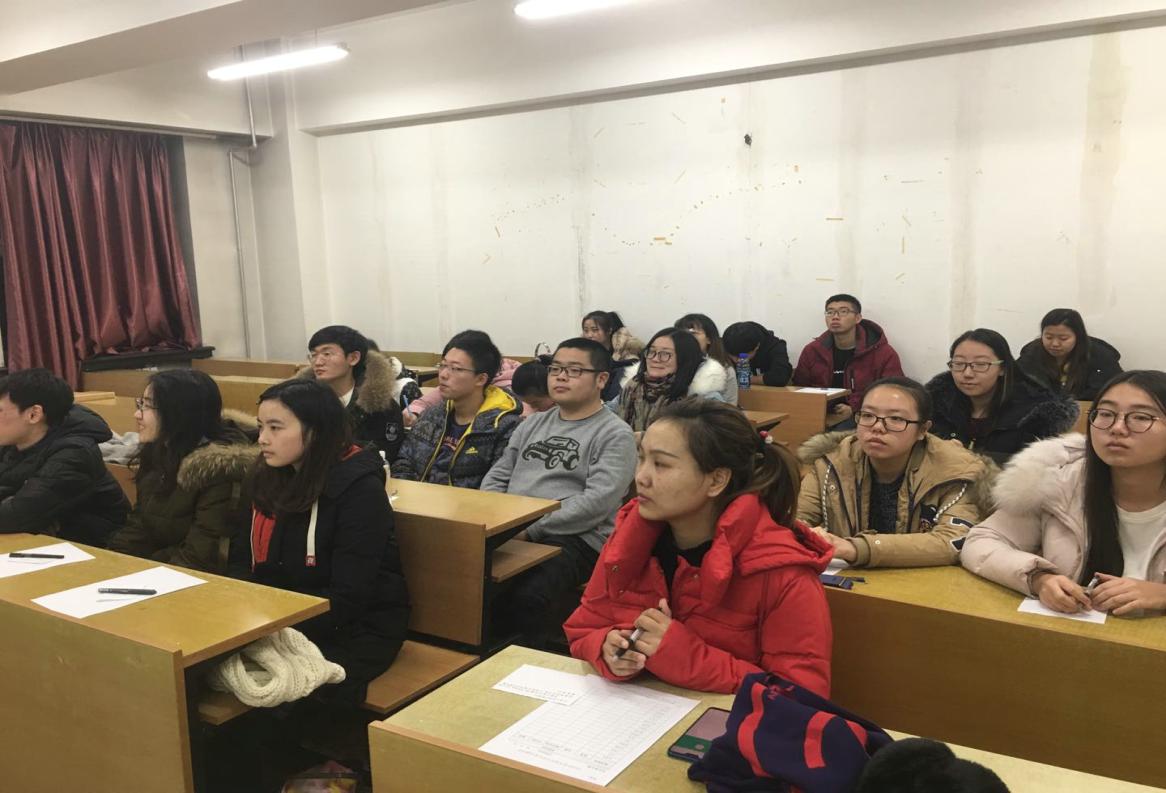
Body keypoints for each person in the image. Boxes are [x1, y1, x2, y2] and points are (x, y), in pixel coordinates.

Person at [563, 398, 833, 696]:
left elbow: (800, 695)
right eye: (641, 459)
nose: (641, 477)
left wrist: (683, 656)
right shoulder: (629, 541)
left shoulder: (781, 571)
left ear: (716, 480)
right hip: (638, 712)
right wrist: (606, 647)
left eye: (661, 464)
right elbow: (583, 628)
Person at [236, 379, 410, 702]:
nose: (262, 439)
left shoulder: (359, 491)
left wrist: (269, 626)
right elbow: (240, 562)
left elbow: (349, 597)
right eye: (260, 427)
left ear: (315, 431)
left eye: (275, 428)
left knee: (281, 692)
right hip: (280, 618)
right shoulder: (265, 477)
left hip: (355, 629)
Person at [962, 370, 1166, 616]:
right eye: (1105, 414)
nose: (1117, 428)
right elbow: (981, 542)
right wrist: (1039, 578)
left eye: (1141, 417)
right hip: (1073, 634)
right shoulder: (1060, 481)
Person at [482, 338, 637, 646]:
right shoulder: (532, 424)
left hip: (577, 538)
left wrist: (529, 529)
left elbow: (596, 502)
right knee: (469, 582)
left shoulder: (615, 434)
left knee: (527, 594)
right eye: (556, 369)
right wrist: (497, 517)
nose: (561, 377)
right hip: (514, 527)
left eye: (574, 370)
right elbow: (499, 474)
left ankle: (526, 659)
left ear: (601, 380)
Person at [796, 377, 994, 568]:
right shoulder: (832, 460)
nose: (877, 427)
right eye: (867, 415)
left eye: (896, 419)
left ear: (923, 430)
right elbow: (794, 520)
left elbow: (952, 541)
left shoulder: (957, 471)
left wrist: (856, 549)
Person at [106, 370, 256, 572]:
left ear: (179, 413)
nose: (137, 414)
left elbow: (201, 556)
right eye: (140, 404)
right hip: (160, 568)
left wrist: (143, 572)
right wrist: (111, 562)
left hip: (199, 578)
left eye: (148, 406)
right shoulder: (161, 450)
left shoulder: (220, 470)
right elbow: (140, 524)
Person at [0, 368, 129, 545]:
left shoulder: (75, 453)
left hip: (97, 548)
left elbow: (15, 515)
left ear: (34, 414)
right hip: (43, 539)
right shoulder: (13, 442)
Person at [392, 330, 522, 488]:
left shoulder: (504, 427)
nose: (443, 375)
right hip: (418, 499)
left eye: (455, 368)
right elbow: (404, 461)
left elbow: (496, 484)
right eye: (443, 365)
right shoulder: (432, 415)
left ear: (481, 379)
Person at [926, 329, 1078, 464]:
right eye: (959, 363)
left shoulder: (1033, 416)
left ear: (1003, 368)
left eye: (981, 364)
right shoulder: (934, 407)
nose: (967, 373)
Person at [792, 294, 905, 426]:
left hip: (863, 416)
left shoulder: (882, 353)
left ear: (857, 318)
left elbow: (892, 391)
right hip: (818, 413)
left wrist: (855, 408)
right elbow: (799, 387)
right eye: (830, 312)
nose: (835, 317)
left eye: (843, 311)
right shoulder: (813, 350)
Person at [300, 325, 405, 460]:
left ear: (353, 358)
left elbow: (386, 455)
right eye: (313, 355)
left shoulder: (381, 406)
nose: (318, 362)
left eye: (327, 354)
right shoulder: (301, 401)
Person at [617, 328, 725, 432]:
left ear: (684, 359)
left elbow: (715, 437)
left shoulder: (706, 399)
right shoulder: (634, 387)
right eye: (652, 351)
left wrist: (645, 437)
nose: (655, 359)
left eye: (665, 354)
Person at [1017, 308, 1122, 402]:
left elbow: (1114, 390)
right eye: (1048, 337)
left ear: (1078, 336)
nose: (1055, 344)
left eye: (1063, 338)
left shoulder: (1100, 356)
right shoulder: (1031, 354)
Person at [675, 313, 738, 404]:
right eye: (681, 334)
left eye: (693, 333)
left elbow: (731, 407)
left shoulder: (725, 370)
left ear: (709, 339)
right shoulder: (670, 366)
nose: (686, 338)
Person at [582, 310, 644, 401]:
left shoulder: (627, 351)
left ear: (609, 330)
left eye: (595, 330)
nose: (589, 335)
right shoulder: (582, 352)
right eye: (586, 331)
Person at [722, 321, 793, 387]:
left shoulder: (775, 346)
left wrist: (742, 379)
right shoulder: (727, 344)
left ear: (757, 347)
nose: (736, 360)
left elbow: (780, 377)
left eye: (741, 357)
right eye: (732, 355)